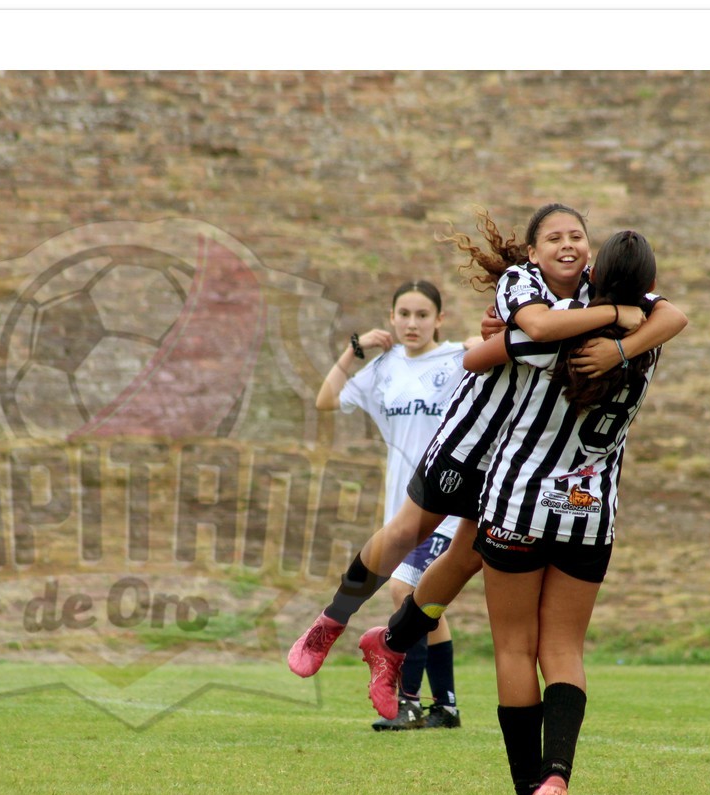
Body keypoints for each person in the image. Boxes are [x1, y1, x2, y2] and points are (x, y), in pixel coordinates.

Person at [288, 202, 674, 722]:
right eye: (554, 237)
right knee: (407, 531)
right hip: (474, 436)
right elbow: (533, 330)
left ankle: (392, 644)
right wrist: (611, 319)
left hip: (520, 461)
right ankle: (330, 622)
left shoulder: (599, 289)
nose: (567, 245)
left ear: (591, 250)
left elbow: (673, 315)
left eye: (576, 236)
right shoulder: (522, 283)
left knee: (468, 557)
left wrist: (621, 346)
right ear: (533, 252)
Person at [462, 229, 687, 795]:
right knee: (563, 650)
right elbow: (673, 314)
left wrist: (497, 333)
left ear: (593, 271)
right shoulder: (646, 341)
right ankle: (557, 777)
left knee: (515, 647)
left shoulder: (560, 325)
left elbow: (476, 358)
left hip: (520, 500)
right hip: (589, 511)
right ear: (649, 283)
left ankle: (526, 791)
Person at [312, 280, 476, 730]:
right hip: (403, 508)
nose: (412, 323)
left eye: (422, 315)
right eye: (404, 314)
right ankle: (446, 706)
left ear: (439, 319)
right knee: (429, 603)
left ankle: (408, 703)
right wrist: (354, 350)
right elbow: (325, 400)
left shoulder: (459, 359)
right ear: (391, 318)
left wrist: (481, 345)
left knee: (405, 592)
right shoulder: (384, 367)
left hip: (446, 504)